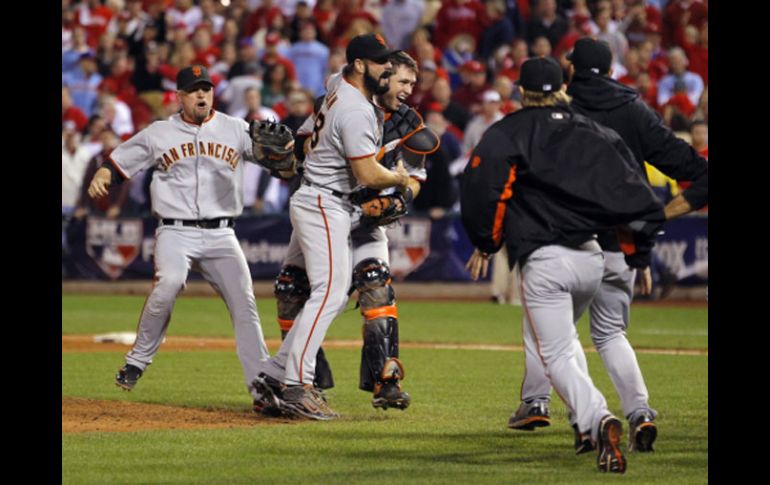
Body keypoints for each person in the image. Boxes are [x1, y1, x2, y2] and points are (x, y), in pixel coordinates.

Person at [461, 56, 667, 473]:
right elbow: (638, 199)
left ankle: (595, 418)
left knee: (554, 351)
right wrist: (638, 252)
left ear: (521, 91)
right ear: (563, 87)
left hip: (546, 261)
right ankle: (601, 417)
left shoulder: (507, 132)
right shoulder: (596, 132)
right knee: (573, 340)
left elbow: (484, 189)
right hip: (592, 257)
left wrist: (486, 241)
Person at [507, 38, 708, 453]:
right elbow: (692, 168)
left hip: (568, 239)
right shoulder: (634, 110)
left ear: (571, 69)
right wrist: (655, 220)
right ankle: (640, 411)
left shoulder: (559, 111)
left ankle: (540, 403)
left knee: (550, 336)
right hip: (621, 241)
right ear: (613, 67)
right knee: (611, 333)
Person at [86, 65, 272, 409]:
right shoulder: (160, 133)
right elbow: (120, 161)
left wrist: (285, 153)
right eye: (194, 90)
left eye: (207, 88)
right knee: (169, 283)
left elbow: (277, 161)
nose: (202, 94)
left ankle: (262, 390)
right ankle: (138, 361)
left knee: (246, 305)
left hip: (222, 234)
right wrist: (103, 173)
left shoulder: (236, 129)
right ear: (180, 97)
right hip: (175, 230)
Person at [252, 34, 411, 420]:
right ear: (358, 65)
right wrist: (400, 179)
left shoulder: (337, 85)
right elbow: (366, 172)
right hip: (326, 202)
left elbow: (307, 137)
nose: (387, 68)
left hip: (317, 197)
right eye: (379, 63)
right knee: (330, 292)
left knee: (333, 294)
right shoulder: (356, 109)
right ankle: (297, 385)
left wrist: (297, 151)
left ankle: (274, 376)